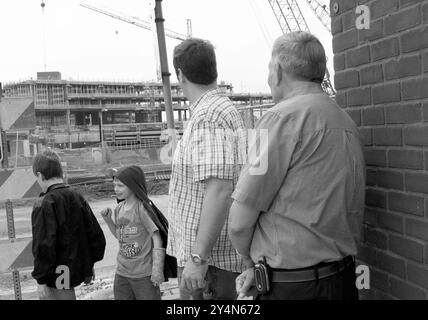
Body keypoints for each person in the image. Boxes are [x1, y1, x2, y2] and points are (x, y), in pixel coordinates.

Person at [228, 31, 365, 300]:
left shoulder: (279, 119)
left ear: (278, 70)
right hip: (342, 280)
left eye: (269, 68)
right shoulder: (345, 121)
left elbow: (239, 222)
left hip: (293, 287)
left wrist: (248, 262)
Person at [167, 38, 247, 300]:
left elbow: (220, 189)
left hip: (211, 265)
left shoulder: (208, 116)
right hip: (215, 262)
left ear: (180, 74)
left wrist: (198, 257)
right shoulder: (223, 109)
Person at [31, 149, 106, 300]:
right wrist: (89, 264)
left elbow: (44, 245)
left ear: (40, 175)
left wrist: (41, 279)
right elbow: (95, 235)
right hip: (75, 269)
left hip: (57, 274)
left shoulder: (44, 203)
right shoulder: (77, 197)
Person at [100, 165, 166, 300]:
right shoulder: (119, 208)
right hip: (122, 272)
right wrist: (108, 220)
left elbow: (156, 236)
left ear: (133, 185)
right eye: (114, 185)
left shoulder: (141, 209)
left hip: (144, 274)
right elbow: (120, 236)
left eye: (120, 186)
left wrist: (157, 269)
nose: (116, 189)